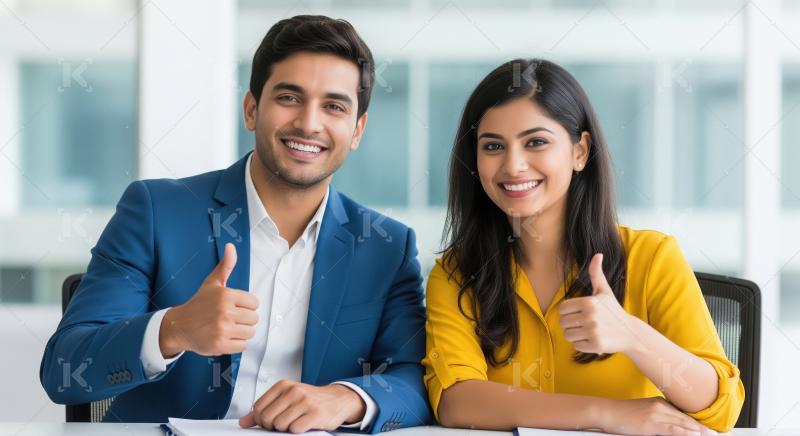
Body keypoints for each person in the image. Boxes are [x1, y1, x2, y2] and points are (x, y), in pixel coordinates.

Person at [41, 15, 432, 434]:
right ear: (251, 109)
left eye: (334, 106)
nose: (309, 123)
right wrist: (174, 329)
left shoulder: (385, 246)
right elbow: (65, 369)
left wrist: (346, 398)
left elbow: (415, 382)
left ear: (357, 130)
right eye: (289, 97)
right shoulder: (156, 211)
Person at [423, 58, 744, 435]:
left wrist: (629, 333)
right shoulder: (457, 271)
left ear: (580, 152)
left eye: (536, 142)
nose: (513, 165)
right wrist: (607, 414)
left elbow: (721, 408)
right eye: (493, 146)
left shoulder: (652, 258)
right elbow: (457, 401)